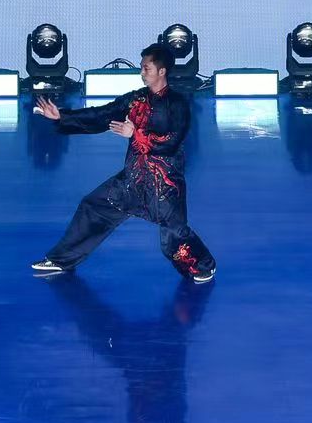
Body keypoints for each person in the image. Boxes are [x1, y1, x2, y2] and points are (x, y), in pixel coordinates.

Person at [31, 43, 216, 282]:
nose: (142, 73)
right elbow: (102, 115)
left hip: (165, 185)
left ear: (162, 71)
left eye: (146, 68)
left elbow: (172, 141)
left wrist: (135, 133)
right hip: (132, 181)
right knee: (94, 207)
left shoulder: (178, 104)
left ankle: (204, 266)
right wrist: (62, 116)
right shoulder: (135, 99)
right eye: (141, 68)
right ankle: (61, 260)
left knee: (174, 238)